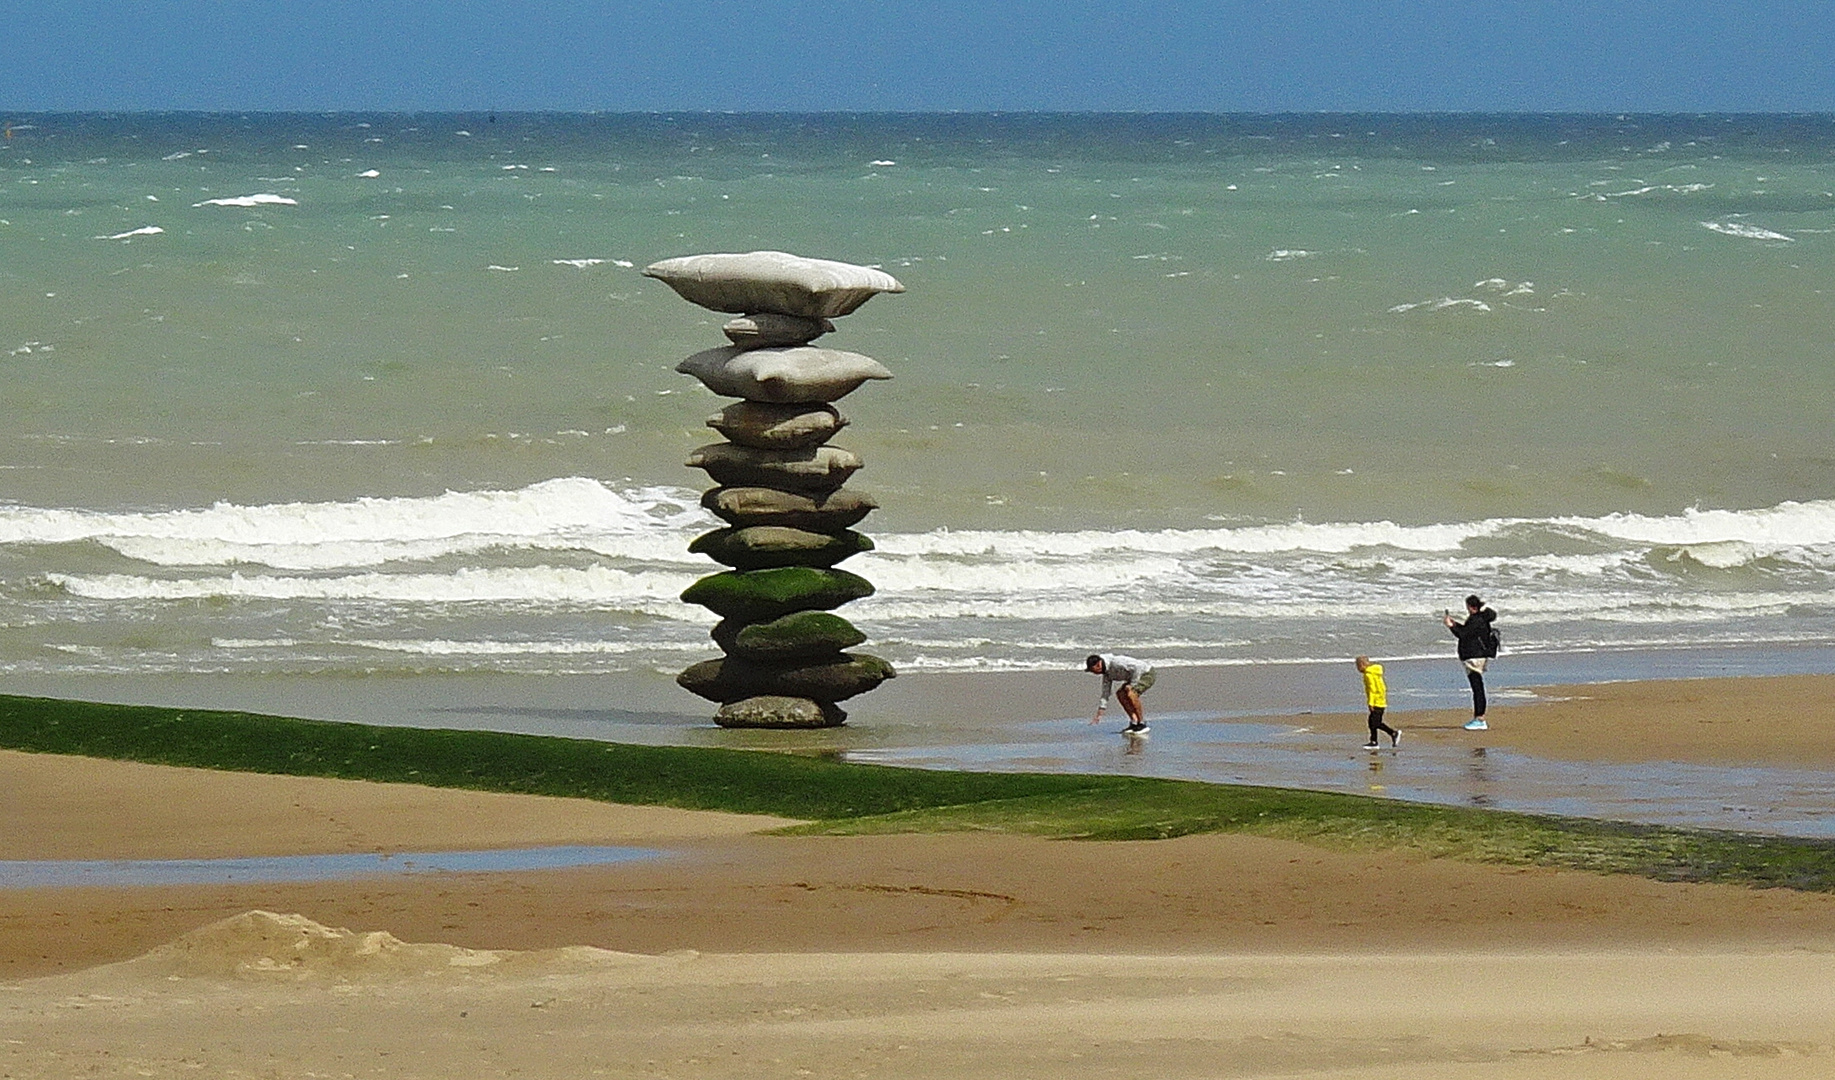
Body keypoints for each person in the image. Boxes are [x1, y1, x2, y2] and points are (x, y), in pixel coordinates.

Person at [1443, 595, 1499, 730]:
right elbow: (1466, 631)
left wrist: (1451, 626)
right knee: (1477, 686)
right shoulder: (1480, 619)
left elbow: (1463, 634)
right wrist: (1455, 624)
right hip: (1477, 656)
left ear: (1471, 607)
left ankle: (1480, 718)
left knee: (1477, 687)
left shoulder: (1476, 620)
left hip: (1474, 656)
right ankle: (1479, 718)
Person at [1086, 653, 1155, 733]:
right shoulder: (1107, 674)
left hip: (1146, 673)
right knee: (1120, 694)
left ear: (1098, 665)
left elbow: (1137, 667)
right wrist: (1100, 712)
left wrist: (1132, 684)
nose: (1093, 673)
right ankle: (1134, 722)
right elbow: (1106, 692)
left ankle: (1142, 723)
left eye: (1092, 670)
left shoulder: (1116, 662)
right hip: (1133, 677)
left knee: (1131, 693)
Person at [1356, 656, 1399, 748]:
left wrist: (1370, 703)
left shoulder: (1368, 675)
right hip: (1380, 699)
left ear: (1362, 665)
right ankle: (1374, 741)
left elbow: (1372, 689)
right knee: (1372, 722)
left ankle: (1393, 733)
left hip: (1376, 702)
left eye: (1358, 666)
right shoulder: (1375, 672)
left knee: (1375, 723)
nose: (1358, 669)